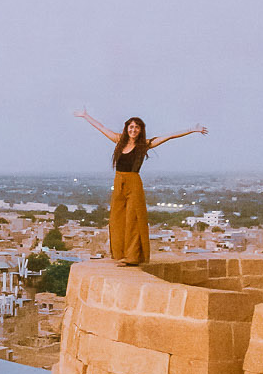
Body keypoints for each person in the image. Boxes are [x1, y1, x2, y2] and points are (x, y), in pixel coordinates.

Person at [75, 110, 208, 266]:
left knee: (133, 219)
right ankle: (120, 253)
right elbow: (101, 127)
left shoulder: (144, 144)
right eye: (131, 127)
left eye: (136, 127)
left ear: (140, 130)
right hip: (118, 182)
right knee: (116, 219)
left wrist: (192, 129)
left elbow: (170, 136)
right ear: (126, 128)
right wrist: (85, 116)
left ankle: (132, 257)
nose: (133, 130)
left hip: (134, 183)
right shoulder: (119, 140)